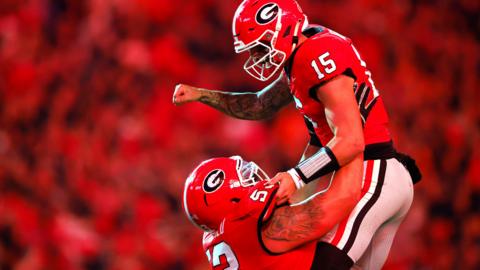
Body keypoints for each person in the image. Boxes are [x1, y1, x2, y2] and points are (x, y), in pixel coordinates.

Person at [174, 0, 420, 268]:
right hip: (376, 173)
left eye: (258, 47)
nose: (256, 57)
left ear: (282, 28)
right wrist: (203, 95)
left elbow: (350, 142)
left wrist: (296, 177)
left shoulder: (314, 54)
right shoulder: (304, 53)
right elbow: (260, 104)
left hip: (373, 172)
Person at [183, 155, 360, 269]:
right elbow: (346, 195)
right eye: (245, 177)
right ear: (232, 199)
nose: (253, 178)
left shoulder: (220, 235)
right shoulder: (256, 227)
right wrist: (352, 136)